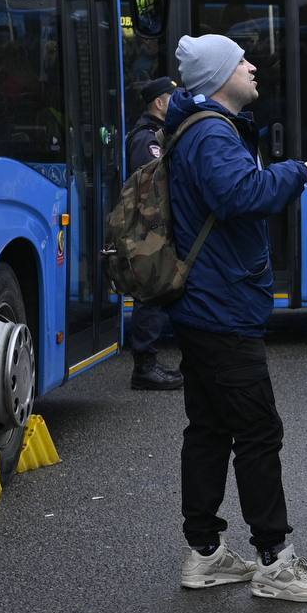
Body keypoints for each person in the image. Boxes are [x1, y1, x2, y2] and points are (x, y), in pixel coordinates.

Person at [164, 34, 307, 599]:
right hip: (222, 308)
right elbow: (238, 195)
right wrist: (300, 172)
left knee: (211, 428)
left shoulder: (202, 127)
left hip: (206, 303)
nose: (253, 65)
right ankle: (275, 561)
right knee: (258, 431)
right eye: (241, 60)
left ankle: (206, 554)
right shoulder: (213, 132)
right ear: (219, 75)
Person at [125, 77, 183, 391]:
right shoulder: (146, 139)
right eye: (172, 97)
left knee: (160, 290)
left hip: (155, 226)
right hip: (149, 228)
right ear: (159, 102)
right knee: (151, 293)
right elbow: (150, 183)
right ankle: (144, 368)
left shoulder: (156, 134)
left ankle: (149, 363)